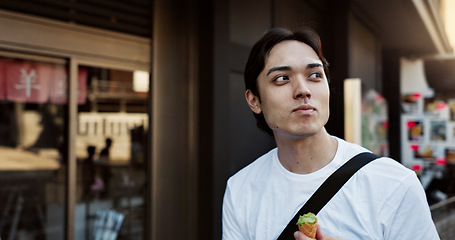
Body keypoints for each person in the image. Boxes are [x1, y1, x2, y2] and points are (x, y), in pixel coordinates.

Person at [221, 26, 440, 240]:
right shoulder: (241, 190)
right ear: (254, 101)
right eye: (282, 78)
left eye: (314, 75)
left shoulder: (394, 184)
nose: (303, 90)